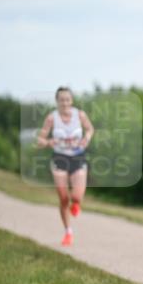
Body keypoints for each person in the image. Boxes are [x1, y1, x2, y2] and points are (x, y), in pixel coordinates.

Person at [35, 86, 94, 246]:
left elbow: (90, 129)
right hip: (60, 158)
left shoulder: (80, 115)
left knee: (76, 197)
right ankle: (68, 232)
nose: (65, 103)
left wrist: (86, 138)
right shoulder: (51, 118)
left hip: (77, 157)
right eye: (61, 100)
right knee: (63, 198)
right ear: (57, 101)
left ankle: (76, 204)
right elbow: (39, 140)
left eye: (67, 99)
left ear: (71, 100)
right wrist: (48, 142)